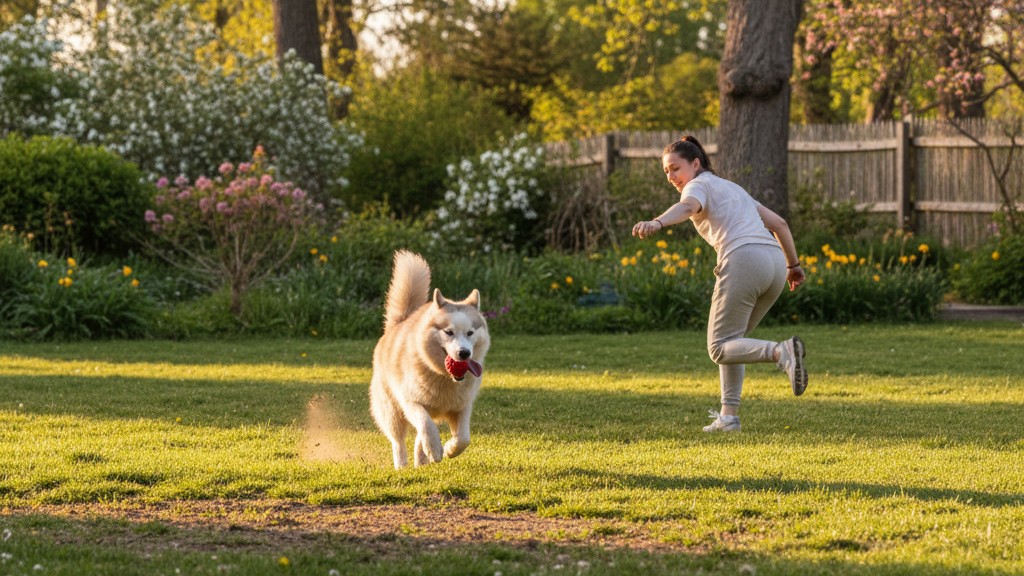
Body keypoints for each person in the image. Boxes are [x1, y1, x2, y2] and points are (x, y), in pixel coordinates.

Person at [632, 135, 807, 432]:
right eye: (666, 172)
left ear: (695, 163)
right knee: (733, 340)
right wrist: (793, 265)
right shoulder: (733, 188)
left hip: (744, 259)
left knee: (719, 347)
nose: (671, 176)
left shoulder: (697, 185)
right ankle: (728, 417)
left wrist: (658, 222)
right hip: (775, 263)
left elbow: (687, 207)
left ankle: (781, 352)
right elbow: (779, 224)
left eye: (676, 168)